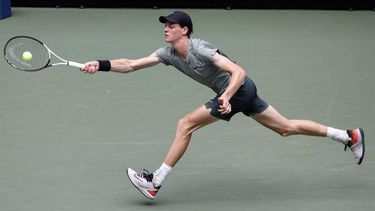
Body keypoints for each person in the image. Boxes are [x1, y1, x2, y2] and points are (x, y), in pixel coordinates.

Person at [81, 11, 365, 200]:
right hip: (237, 94)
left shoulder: (201, 48)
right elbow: (131, 65)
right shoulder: (167, 53)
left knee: (185, 125)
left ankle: (154, 182)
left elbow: (239, 71)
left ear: (185, 30)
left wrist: (226, 97)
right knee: (286, 128)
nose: (166, 29)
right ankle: (348, 135)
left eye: (171, 25)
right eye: (165, 25)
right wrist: (101, 65)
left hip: (238, 90)